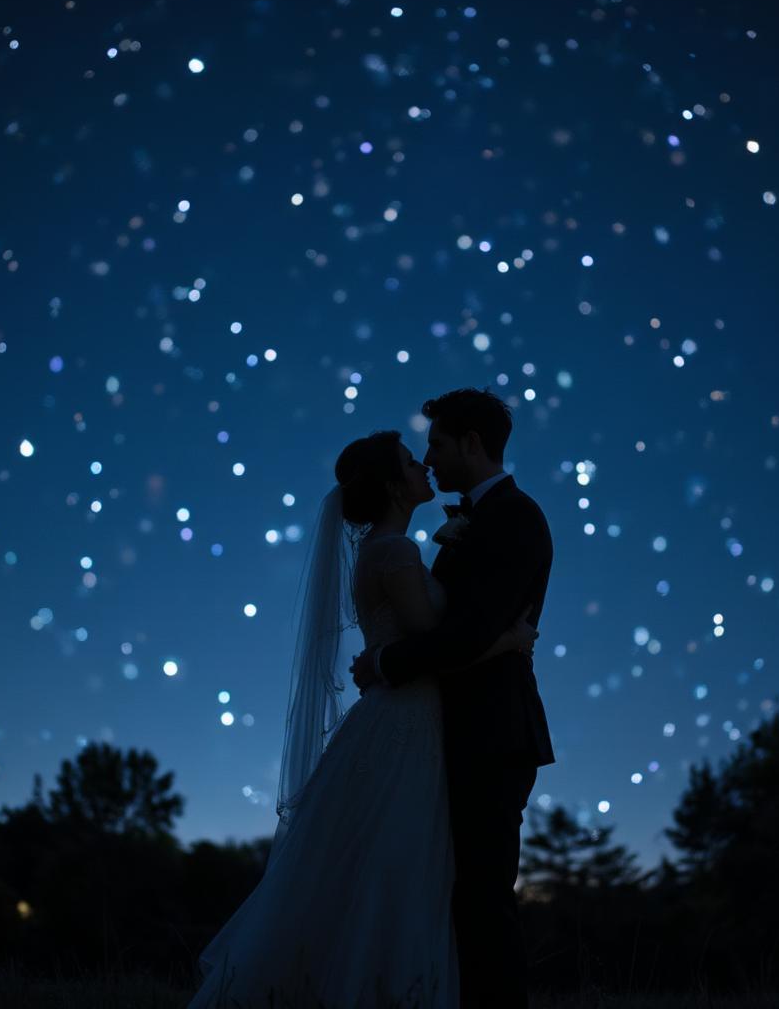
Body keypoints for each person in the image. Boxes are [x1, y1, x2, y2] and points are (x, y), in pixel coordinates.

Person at [185, 427, 537, 1009]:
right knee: (395, 863)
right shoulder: (395, 551)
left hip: (405, 715)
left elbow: (415, 639)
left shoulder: (390, 548)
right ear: (394, 486)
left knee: (383, 860)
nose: (423, 464)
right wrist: (508, 642)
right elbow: (431, 636)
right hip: (405, 720)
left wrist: (380, 658)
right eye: (409, 461)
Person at [351, 388, 555, 1009]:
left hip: (493, 734)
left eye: (436, 445)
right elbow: (452, 631)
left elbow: (466, 636)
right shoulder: (466, 523)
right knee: (453, 892)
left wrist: (385, 661)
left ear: (471, 443)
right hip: (450, 732)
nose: (429, 458)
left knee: (483, 896)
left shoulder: (516, 518)